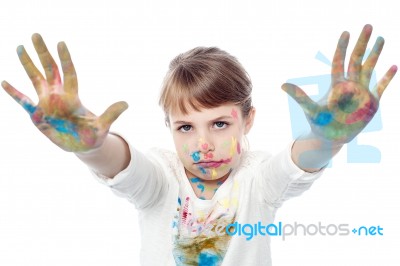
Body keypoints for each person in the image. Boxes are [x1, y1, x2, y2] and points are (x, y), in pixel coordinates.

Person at [1, 24, 396, 265]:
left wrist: (326, 139)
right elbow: (125, 167)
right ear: (169, 128)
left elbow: (293, 166)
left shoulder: (255, 179)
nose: (203, 145)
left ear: (249, 120)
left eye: (220, 123)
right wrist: (89, 147)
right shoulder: (163, 178)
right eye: (186, 127)